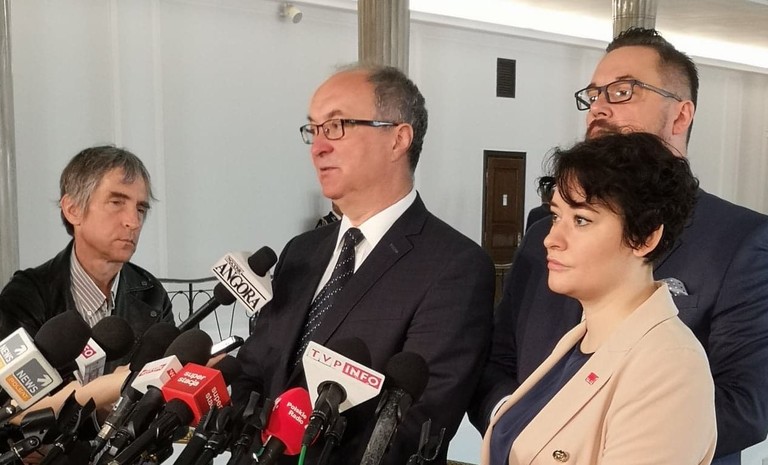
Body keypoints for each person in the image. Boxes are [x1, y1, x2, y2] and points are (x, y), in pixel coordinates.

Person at [470, 28, 768, 465]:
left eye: (622, 91)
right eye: (592, 95)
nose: (599, 107)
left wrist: (590, 434)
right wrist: (517, 423)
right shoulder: (541, 232)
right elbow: (500, 359)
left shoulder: (740, 240)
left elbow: (745, 404)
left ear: (681, 115)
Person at [233, 64, 495, 465]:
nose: (318, 147)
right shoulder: (300, 252)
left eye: (335, 126)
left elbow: (411, 426)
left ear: (398, 139)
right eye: (313, 130)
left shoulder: (455, 267)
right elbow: (255, 368)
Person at [481, 132, 714, 465]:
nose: (551, 239)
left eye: (581, 220)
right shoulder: (580, 340)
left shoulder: (670, 366)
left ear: (644, 237)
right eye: (556, 216)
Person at [0, 145, 173, 348]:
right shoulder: (26, 297)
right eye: (116, 203)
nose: (133, 222)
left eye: (140, 209)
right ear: (73, 210)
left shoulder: (151, 294)